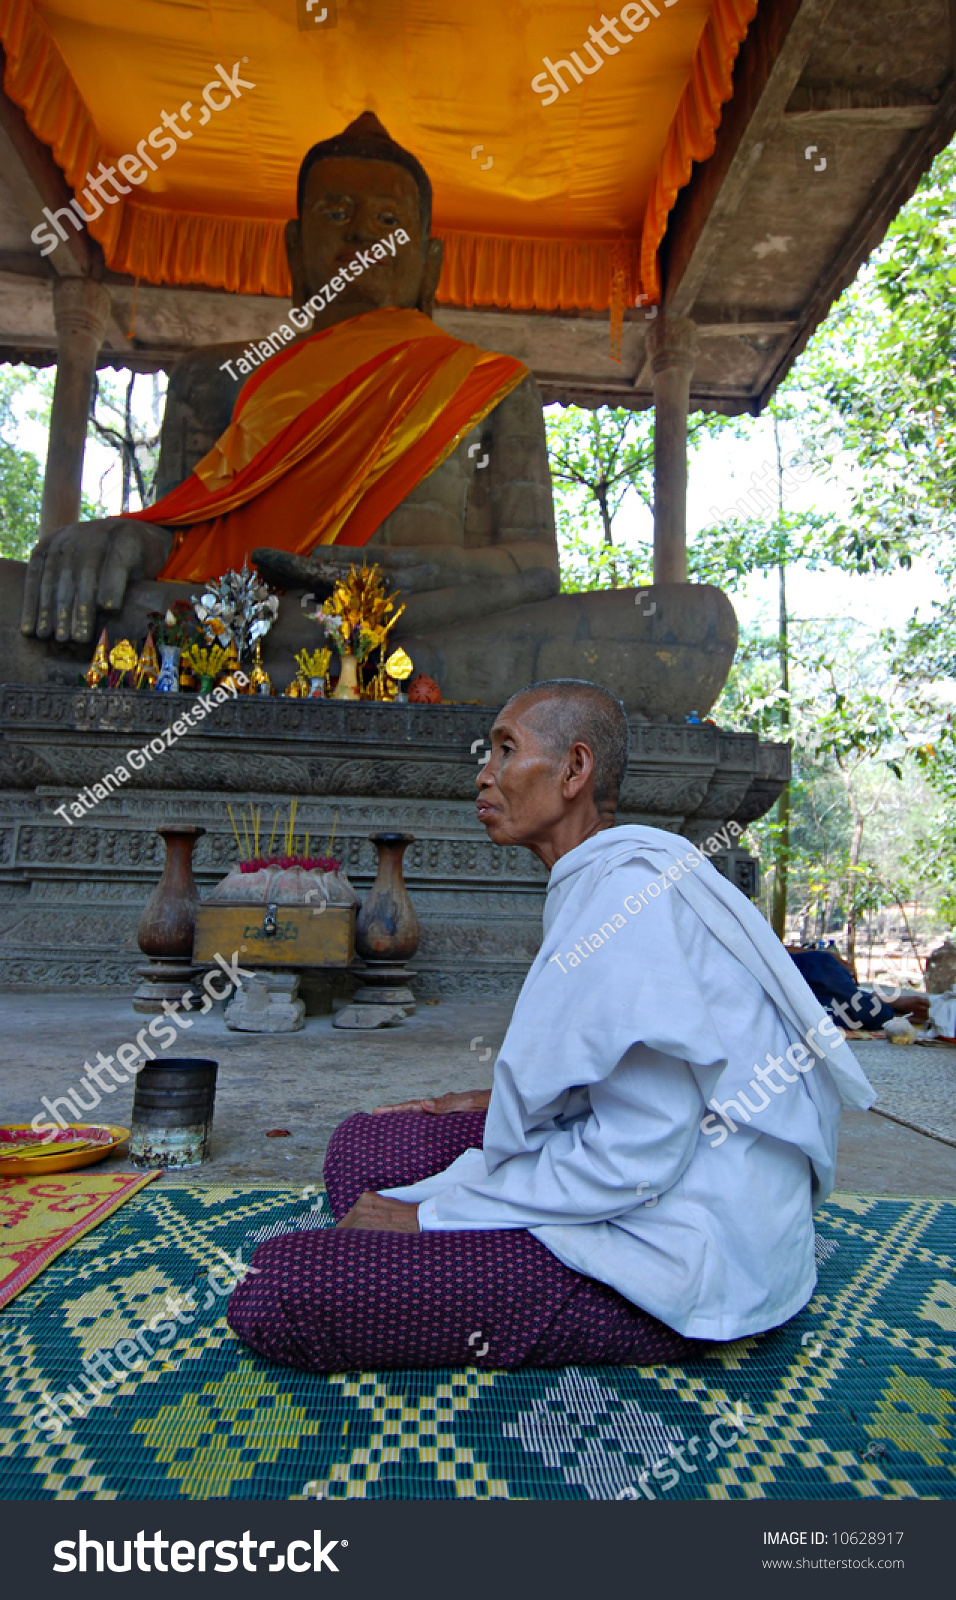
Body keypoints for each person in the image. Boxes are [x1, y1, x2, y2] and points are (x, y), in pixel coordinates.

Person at [227, 679, 875, 1371]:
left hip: (686, 1239)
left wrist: (429, 1217)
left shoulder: (628, 898)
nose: (484, 773)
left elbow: (638, 1157)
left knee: (280, 1289)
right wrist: (484, 1106)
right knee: (363, 1147)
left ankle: (619, 1310)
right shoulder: (603, 877)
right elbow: (633, 1079)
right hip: (652, 1166)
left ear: (574, 770)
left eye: (506, 751)